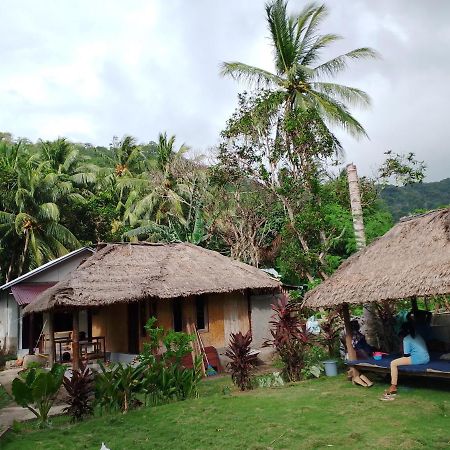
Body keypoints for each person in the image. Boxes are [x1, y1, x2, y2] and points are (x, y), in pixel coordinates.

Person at [384, 321, 430, 398]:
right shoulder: (417, 335)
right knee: (398, 361)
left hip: (418, 358)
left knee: (393, 363)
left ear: (403, 330)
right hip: (426, 358)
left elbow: (406, 355)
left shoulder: (406, 339)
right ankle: (393, 386)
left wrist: (400, 358)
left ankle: (393, 386)